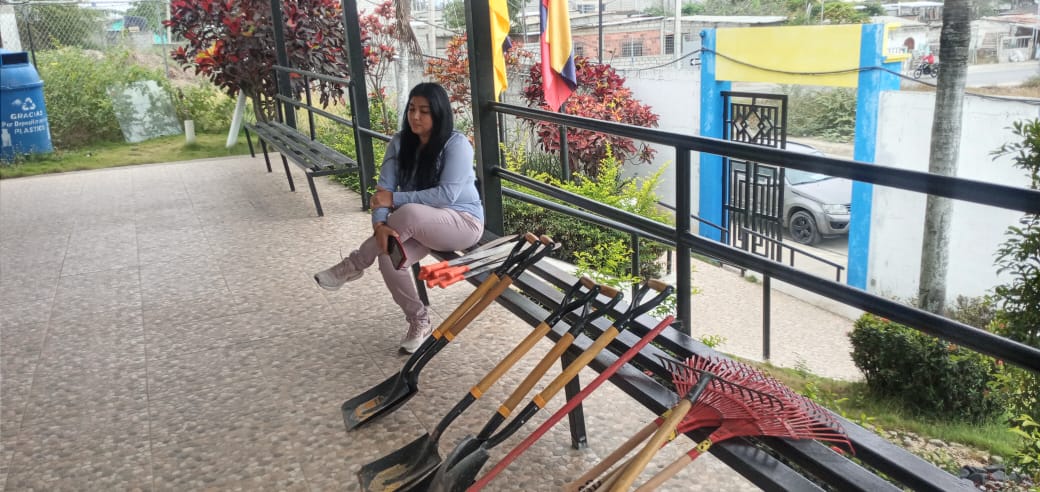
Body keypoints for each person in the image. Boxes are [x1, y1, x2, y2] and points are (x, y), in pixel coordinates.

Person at [313, 82, 484, 354]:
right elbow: (383, 190)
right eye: (411, 109)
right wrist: (380, 226)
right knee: (389, 257)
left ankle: (354, 263)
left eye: (424, 111)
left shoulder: (457, 144)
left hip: (462, 222)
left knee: (409, 212)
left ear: (439, 113)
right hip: (420, 225)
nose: (415, 116)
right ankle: (419, 320)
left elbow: (446, 196)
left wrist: (393, 200)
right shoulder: (399, 142)